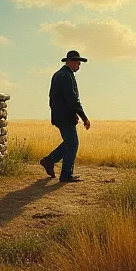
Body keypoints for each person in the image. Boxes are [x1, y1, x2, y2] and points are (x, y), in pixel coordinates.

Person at [40, 50, 91, 182]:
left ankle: (49, 161)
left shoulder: (58, 74)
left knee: (69, 142)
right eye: (78, 63)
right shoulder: (67, 76)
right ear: (71, 62)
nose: (79, 66)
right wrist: (84, 117)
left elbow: (52, 98)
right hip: (65, 116)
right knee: (73, 143)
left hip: (58, 115)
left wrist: (55, 114)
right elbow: (73, 100)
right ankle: (66, 175)